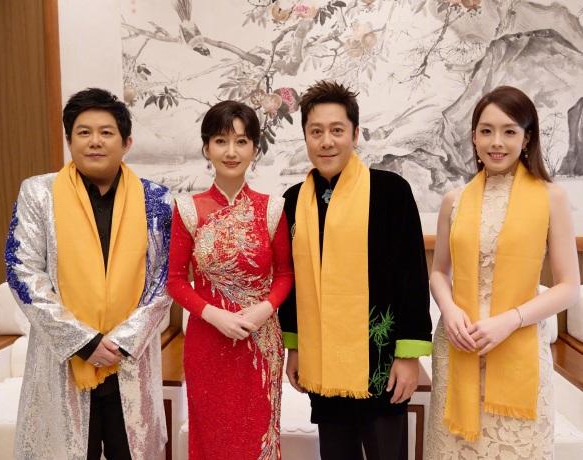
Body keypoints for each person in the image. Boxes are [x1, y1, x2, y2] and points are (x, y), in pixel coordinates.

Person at [5, 88, 172, 460]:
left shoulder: (157, 201)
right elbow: (22, 270)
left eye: (106, 132)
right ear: (69, 141)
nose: (95, 141)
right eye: (84, 132)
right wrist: (83, 341)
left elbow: (163, 280)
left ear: (126, 142)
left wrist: (121, 342)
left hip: (129, 361)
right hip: (63, 361)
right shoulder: (39, 194)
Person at [279, 80, 433, 460]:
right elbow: (292, 283)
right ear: (305, 136)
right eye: (316, 132)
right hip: (323, 361)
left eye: (337, 130)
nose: (326, 141)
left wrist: (408, 356)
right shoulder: (294, 201)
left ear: (355, 133)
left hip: (380, 362)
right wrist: (295, 348)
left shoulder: (390, 192)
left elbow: (412, 276)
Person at [425, 86, 580, 458]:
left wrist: (510, 321)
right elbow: (439, 272)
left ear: (526, 139)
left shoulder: (551, 197)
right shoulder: (454, 200)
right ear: (474, 137)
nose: (496, 142)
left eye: (509, 131)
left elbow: (569, 286)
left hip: (518, 345)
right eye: (486, 131)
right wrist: (449, 310)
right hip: (458, 344)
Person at [166, 100, 293, 459]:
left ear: (254, 148)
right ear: (207, 148)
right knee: (212, 440)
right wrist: (214, 315)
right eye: (221, 141)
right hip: (207, 342)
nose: (231, 151)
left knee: (257, 439)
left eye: (241, 141)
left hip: (260, 342)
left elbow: (285, 275)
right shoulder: (188, 209)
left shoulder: (273, 208)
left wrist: (264, 310)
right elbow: (175, 280)